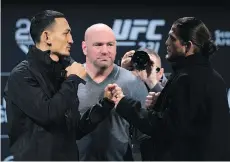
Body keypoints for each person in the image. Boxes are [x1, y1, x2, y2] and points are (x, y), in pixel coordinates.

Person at [109, 17, 230, 160]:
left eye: (172, 38)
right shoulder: (212, 77)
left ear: (188, 46)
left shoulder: (188, 78)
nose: (166, 43)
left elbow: (165, 127)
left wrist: (124, 103)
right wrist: (161, 103)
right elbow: (188, 120)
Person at [3, 10, 114, 161]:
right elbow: (48, 115)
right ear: (46, 37)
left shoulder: (63, 72)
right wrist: (72, 79)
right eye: (66, 33)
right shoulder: (22, 75)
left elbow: (74, 130)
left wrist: (105, 105)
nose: (71, 40)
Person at [76, 23, 148, 161]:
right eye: (98, 45)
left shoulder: (133, 83)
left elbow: (144, 137)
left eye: (110, 45)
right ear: (85, 48)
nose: (105, 50)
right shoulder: (70, 80)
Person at [121, 48, 167, 160]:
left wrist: (151, 83)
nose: (140, 72)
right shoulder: (124, 87)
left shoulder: (170, 90)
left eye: (149, 67)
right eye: (134, 67)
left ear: (160, 73)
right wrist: (121, 73)